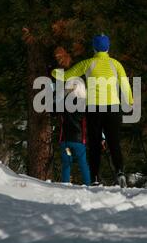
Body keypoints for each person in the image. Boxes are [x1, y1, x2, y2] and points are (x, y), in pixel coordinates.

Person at [52, 34, 133, 188]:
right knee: (114, 142)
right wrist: (129, 100)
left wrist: (53, 73)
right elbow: (125, 84)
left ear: (94, 48)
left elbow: (67, 75)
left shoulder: (88, 63)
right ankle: (120, 171)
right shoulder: (116, 64)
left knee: (95, 144)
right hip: (113, 108)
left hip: (94, 108)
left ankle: (95, 177)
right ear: (108, 48)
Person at [57, 78, 91, 186]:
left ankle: (65, 183)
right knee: (83, 163)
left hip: (66, 141)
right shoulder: (83, 103)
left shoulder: (62, 103)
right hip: (78, 141)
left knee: (67, 162)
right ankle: (87, 184)